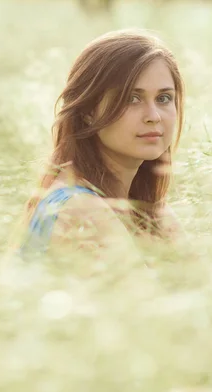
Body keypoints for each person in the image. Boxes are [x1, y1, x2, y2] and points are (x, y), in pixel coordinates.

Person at [16, 29, 185, 262]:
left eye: (164, 98)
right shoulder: (82, 210)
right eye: (131, 98)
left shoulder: (148, 210)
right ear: (87, 112)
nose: (153, 116)